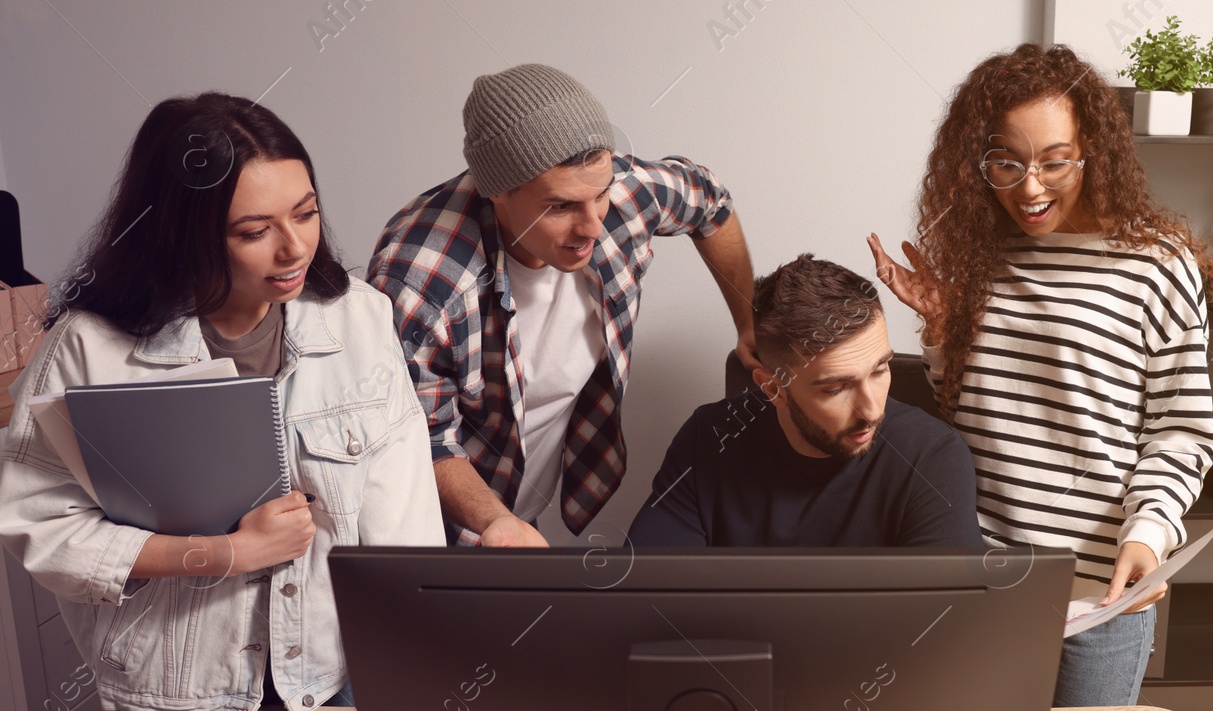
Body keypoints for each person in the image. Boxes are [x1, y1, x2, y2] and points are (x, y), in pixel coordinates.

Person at [0, 93, 445, 711]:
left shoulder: (359, 318)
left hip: (327, 681)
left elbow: (404, 521)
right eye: (254, 231)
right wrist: (226, 554)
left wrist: (409, 668)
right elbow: (40, 528)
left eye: (307, 213)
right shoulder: (89, 348)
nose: (294, 249)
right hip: (171, 690)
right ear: (183, 234)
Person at [867, 44, 1213, 706]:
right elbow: (968, 419)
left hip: (1101, 595)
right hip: (987, 584)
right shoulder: (980, 255)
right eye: (1006, 161)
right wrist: (944, 332)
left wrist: (1151, 530)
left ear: (1093, 150)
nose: (1029, 187)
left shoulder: (1156, 266)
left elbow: (1182, 429)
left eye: (1055, 161)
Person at [369, 64, 757, 547]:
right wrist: (495, 522)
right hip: (441, 519)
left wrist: (749, 322)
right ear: (496, 192)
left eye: (600, 195)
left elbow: (710, 204)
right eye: (560, 207)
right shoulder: (421, 279)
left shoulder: (622, 192)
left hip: (529, 502)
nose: (594, 226)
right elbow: (423, 441)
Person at [629, 255, 981, 547]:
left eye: (878, 370)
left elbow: (950, 622)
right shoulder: (709, 438)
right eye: (835, 389)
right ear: (773, 389)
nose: (872, 410)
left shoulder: (933, 456)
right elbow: (649, 590)